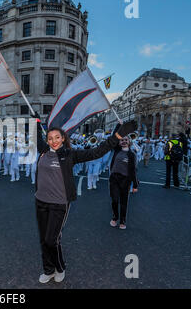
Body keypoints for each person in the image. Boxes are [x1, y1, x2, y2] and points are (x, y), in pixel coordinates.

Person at [33, 112, 137, 284]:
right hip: (40, 202)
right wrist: (35, 122)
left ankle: (60, 267)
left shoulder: (70, 154)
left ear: (63, 138)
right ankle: (48, 269)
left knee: (52, 239)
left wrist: (117, 135)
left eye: (57, 137)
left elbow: (97, 151)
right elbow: (36, 137)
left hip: (59, 203)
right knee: (43, 239)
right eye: (50, 138)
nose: (53, 141)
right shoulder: (43, 150)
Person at [109, 136, 139, 230]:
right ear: (119, 142)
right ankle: (115, 217)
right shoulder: (117, 150)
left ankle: (122, 221)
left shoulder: (131, 154)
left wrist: (135, 185)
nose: (124, 141)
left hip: (125, 180)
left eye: (126, 140)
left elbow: (133, 170)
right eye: (122, 140)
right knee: (114, 200)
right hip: (114, 178)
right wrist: (119, 125)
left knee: (123, 202)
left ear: (129, 141)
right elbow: (114, 136)